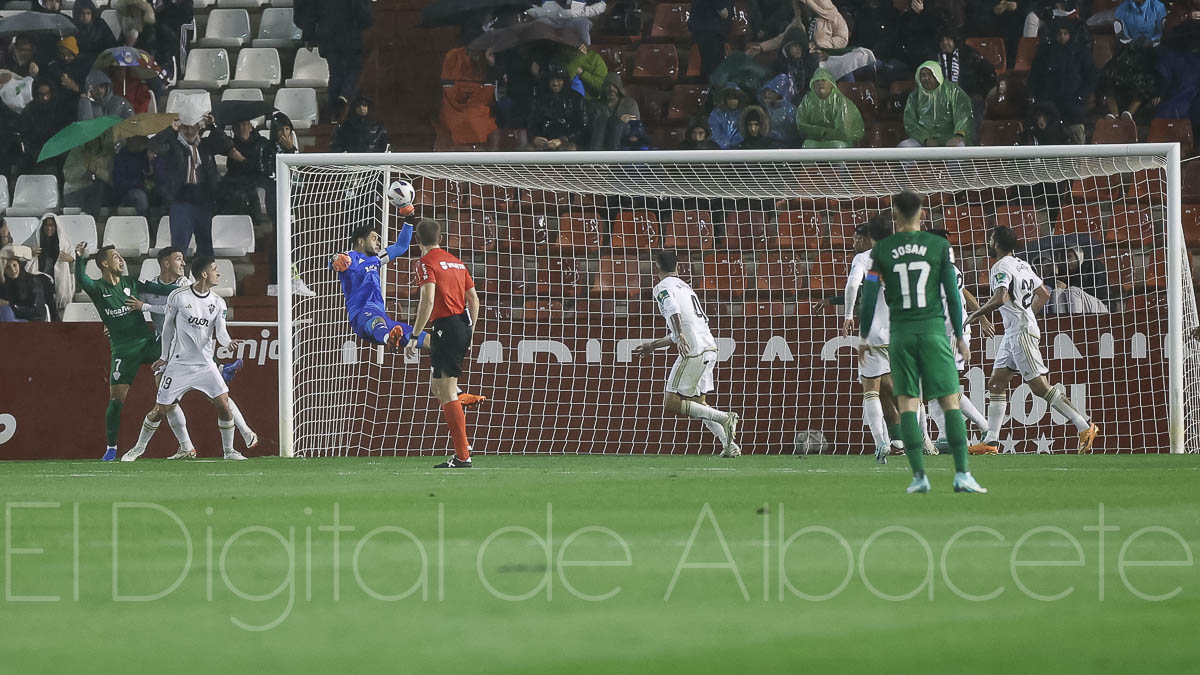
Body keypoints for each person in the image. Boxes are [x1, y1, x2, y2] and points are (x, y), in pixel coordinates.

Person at [858, 191, 985, 494]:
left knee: (908, 403)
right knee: (949, 401)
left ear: (893, 214)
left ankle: (918, 477)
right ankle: (962, 474)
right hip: (933, 332)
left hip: (900, 335)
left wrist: (863, 335)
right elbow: (953, 295)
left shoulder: (882, 251)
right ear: (923, 214)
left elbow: (871, 294)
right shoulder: (939, 246)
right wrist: (959, 333)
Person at [966, 226, 1099, 454]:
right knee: (996, 383)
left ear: (996, 243)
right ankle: (991, 441)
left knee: (1039, 387)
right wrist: (1026, 314)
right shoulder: (1022, 264)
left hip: (1020, 333)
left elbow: (1000, 298)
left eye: (990, 240)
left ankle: (1084, 426)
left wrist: (975, 315)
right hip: (1014, 331)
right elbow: (1044, 293)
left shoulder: (1000, 266)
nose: (988, 243)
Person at [125, 247, 258, 459]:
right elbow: (168, 328)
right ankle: (139, 448)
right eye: (215, 269)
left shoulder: (217, 302)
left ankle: (229, 451)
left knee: (223, 404)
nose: (219, 273)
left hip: (205, 365)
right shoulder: (178, 297)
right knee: (161, 408)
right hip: (179, 364)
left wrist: (229, 342)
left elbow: (221, 333)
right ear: (204, 274)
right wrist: (164, 357)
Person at [74, 243, 188, 461]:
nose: (122, 260)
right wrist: (80, 259)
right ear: (104, 263)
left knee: (177, 357)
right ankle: (111, 448)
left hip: (147, 343)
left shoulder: (131, 283)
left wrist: (189, 290)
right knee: (116, 401)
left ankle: (217, 370)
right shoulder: (98, 289)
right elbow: (82, 279)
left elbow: (161, 289)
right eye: (116, 257)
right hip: (123, 351)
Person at [633, 250, 740, 457]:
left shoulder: (662, 287)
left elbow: (673, 311)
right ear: (678, 268)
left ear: (656, 267)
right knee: (699, 404)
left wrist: (679, 332)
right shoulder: (686, 287)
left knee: (672, 403)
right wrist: (653, 345)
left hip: (694, 351)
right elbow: (683, 327)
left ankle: (725, 418)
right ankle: (729, 445)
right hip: (709, 347)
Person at [404, 219, 483, 469]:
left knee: (444, 390)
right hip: (461, 324)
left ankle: (462, 456)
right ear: (441, 237)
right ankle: (460, 399)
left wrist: (415, 336)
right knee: (438, 387)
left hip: (445, 326)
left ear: (417, 241)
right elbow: (474, 300)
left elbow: (427, 301)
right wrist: (470, 329)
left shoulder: (425, 263)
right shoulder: (457, 263)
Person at [926, 229, 992, 452]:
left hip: (952, 334)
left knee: (942, 387)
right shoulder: (949, 268)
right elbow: (965, 294)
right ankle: (954, 435)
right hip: (945, 334)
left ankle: (959, 435)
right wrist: (981, 316)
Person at [841, 220, 900, 463]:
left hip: (874, 333)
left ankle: (881, 442)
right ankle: (911, 438)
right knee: (896, 387)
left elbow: (852, 285)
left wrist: (847, 315)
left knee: (871, 390)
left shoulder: (865, 259)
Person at [295, 0, 375, 120]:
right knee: (356, 69)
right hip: (350, 34)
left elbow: (310, 9)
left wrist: (308, 34)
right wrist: (367, 22)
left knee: (335, 73)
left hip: (327, 35)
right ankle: (344, 96)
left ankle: (334, 113)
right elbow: (363, 12)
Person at [159, 111, 224, 257]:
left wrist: (213, 126)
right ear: (181, 127)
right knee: (179, 249)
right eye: (186, 127)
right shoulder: (173, 144)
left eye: (193, 127)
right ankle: (177, 279)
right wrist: (171, 130)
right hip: (180, 199)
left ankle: (206, 279)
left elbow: (225, 145)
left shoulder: (205, 145)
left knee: (206, 249)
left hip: (204, 199)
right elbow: (155, 145)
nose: (190, 131)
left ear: (199, 127)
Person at [1028, 19, 1095, 144]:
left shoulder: (1082, 53)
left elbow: (1090, 78)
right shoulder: (1045, 53)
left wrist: (1080, 96)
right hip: (1049, 102)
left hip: (1074, 102)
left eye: (1066, 33)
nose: (1062, 36)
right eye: (1059, 33)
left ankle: (1079, 160)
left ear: (1071, 35)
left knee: (1076, 129)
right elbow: (1034, 79)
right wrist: (1040, 101)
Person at [900, 60, 976, 147]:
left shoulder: (953, 91)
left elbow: (964, 115)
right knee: (905, 146)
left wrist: (959, 135)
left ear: (938, 75)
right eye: (923, 75)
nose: (926, 78)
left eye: (930, 74)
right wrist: (925, 139)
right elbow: (910, 123)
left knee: (958, 147)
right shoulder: (914, 96)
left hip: (951, 138)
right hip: (923, 140)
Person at [794, 68, 864, 148]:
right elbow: (802, 125)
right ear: (813, 84)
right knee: (807, 146)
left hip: (840, 141)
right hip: (816, 141)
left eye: (823, 80)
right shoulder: (807, 100)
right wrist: (822, 132)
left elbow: (844, 132)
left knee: (837, 147)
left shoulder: (841, 102)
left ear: (831, 84)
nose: (820, 83)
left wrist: (822, 133)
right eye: (817, 81)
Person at [527, 66, 590, 151]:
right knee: (528, 149)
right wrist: (534, 138)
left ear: (565, 81)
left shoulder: (576, 99)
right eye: (552, 80)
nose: (555, 83)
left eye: (559, 80)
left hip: (569, 141)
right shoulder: (539, 99)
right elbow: (532, 124)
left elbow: (583, 128)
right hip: (545, 142)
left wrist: (563, 140)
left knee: (567, 149)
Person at [26, 213, 75, 314]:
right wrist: (29, 253)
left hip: (58, 282)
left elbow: (74, 267)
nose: (49, 228)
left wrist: (72, 260)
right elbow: (21, 256)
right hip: (39, 279)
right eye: (46, 225)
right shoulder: (34, 240)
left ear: (56, 227)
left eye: (52, 225)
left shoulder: (64, 243)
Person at [63, 133, 115, 216]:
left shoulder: (106, 155)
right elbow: (69, 176)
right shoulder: (76, 153)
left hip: (98, 194)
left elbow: (111, 179)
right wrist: (84, 168)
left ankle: (93, 219)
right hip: (74, 192)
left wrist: (96, 170)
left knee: (100, 186)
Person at [588, 73, 640, 151]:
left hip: (623, 145)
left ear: (619, 88)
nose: (611, 88)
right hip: (599, 146)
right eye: (608, 85)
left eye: (615, 85)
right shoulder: (595, 105)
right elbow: (592, 127)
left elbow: (635, 129)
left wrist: (617, 123)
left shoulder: (629, 103)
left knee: (616, 124)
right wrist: (620, 120)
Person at [688, 0, 733, 80]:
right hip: (709, 30)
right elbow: (724, 13)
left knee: (707, 64)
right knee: (713, 66)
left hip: (702, 29)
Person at [0, 251, 49, 322]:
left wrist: (11, 305)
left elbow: (37, 311)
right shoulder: (5, 283)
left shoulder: (33, 280)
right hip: (13, 318)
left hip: (33, 320)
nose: (13, 270)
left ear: (19, 265)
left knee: (5, 310)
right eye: (8, 267)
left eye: (14, 265)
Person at [72, 0, 118, 68]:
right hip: (80, 64)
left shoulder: (100, 24)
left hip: (101, 62)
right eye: (82, 14)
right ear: (77, 14)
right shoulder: (72, 26)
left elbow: (111, 45)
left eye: (88, 13)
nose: (85, 17)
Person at [759, 73, 797, 146]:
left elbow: (792, 133)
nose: (768, 93)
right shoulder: (763, 108)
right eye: (768, 90)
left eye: (773, 91)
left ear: (780, 93)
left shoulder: (790, 110)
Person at [709, 84, 748, 149]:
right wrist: (722, 144)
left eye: (735, 98)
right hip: (718, 150)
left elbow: (744, 132)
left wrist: (734, 143)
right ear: (725, 99)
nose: (732, 101)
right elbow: (713, 131)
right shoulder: (716, 114)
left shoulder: (744, 114)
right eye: (729, 98)